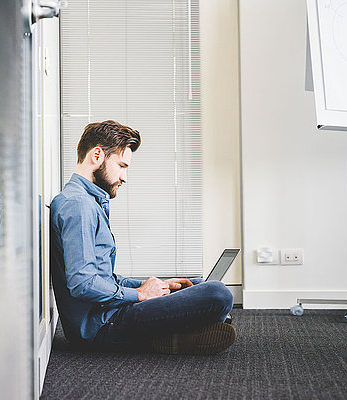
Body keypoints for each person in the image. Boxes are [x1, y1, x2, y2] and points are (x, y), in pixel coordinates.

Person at [50, 120, 237, 354]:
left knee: (198, 284)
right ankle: (171, 335)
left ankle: (174, 335)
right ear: (97, 155)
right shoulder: (78, 205)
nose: (124, 177)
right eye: (121, 165)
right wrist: (138, 295)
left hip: (107, 314)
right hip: (102, 327)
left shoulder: (87, 201)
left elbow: (100, 276)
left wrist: (144, 285)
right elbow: (83, 284)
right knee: (217, 294)